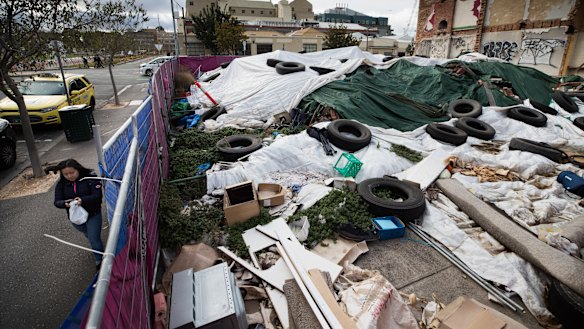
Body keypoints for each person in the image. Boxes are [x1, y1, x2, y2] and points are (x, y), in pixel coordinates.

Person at [47, 159, 104, 270]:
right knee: (88, 234)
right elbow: (57, 202)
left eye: (72, 172)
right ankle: (96, 246)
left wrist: (82, 200)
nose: (69, 176)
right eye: (66, 174)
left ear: (78, 169)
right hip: (76, 219)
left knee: (93, 238)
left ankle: (100, 262)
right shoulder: (61, 184)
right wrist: (65, 203)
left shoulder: (90, 178)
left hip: (93, 214)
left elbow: (97, 196)